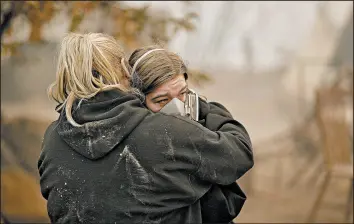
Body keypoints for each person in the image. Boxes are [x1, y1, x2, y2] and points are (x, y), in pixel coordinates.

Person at [38, 33, 254, 224]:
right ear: (123, 72)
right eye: (161, 100)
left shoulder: (52, 140)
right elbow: (237, 158)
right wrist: (206, 108)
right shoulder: (163, 133)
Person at [128, 46, 251, 223]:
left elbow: (240, 153)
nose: (176, 107)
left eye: (182, 94)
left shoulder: (206, 116)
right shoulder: (132, 145)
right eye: (162, 100)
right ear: (138, 100)